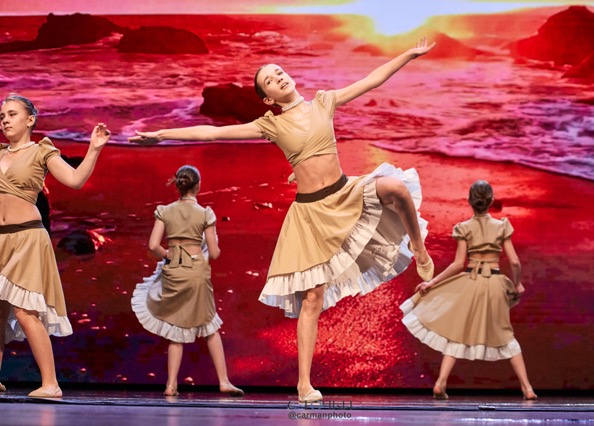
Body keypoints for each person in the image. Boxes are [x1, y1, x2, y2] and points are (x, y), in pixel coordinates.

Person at [129, 37, 436, 402]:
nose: (279, 78)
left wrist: (409, 54)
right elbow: (213, 132)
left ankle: (418, 247)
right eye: (270, 81)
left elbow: (372, 80)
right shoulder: (270, 125)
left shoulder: (324, 101)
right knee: (312, 298)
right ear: (268, 99)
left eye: (279, 72)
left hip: (345, 193)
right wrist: (161, 135)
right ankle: (304, 384)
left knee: (396, 188)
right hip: (310, 214)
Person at [0, 94, 109, 398]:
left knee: (24, 310)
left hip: (27, 238)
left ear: (30, 120)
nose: (5, 120)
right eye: (2, 116)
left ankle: (51, 383)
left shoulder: (41, 151)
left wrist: (94, 149)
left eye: (12, 114)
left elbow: (74, 180)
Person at [400, 180, 537, 400]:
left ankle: (441, 383)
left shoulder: (464, 227)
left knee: (458, 332)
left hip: (470, 284)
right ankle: (527, 388)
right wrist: (518, 283)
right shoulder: (501, 226)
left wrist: (431, 283)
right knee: (504, 333)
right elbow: (514, 262)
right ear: (491, 200)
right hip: (494, 284)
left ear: (470, 202)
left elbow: (458, 264)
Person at [131, 165, 243, 397]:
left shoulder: (165, 211)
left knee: (175, 328)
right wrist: (212, 246)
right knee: (210, 326)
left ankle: (171, 385)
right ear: (198, 186)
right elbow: (214, 253)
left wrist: (168, 254)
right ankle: (223, 381)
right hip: (196, 273)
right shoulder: (205, 214)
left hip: (174, 270)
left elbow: (153, 245)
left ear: (179, 186)